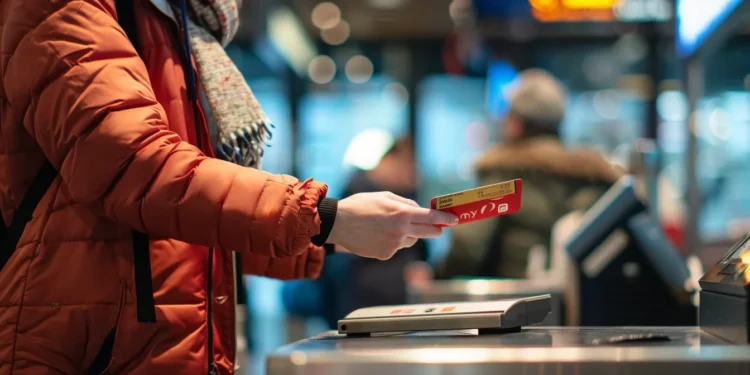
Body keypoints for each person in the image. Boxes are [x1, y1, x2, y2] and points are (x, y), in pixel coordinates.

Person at [0, 1, 457, 374]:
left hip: (168, 340)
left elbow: (193, 221)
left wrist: (333, 236)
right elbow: (137, 166)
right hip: (86, 344)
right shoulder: (69, 7)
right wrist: (324, 221)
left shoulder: (176, 23)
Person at [407, 69, 622, 282]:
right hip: (583, 304)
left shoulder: (499, 171)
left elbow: (467, 246)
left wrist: (436, 276)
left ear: (516, 123)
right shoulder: (594, 176)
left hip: (516, 305)